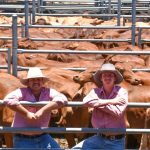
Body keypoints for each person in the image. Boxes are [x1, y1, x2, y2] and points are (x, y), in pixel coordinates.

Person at [4, 67, 67, 150]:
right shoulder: (22, 91)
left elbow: (63, 99)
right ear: (28, 82)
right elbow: (8, 99)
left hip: (43, 136)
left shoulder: (48, 91)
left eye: (39, 79)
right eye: (32, 80)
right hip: (23, 138)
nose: (36, 81)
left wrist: (43, 110)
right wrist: (26, 113)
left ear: (42, 81)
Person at [72, 63, 128, 150]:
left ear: (115, 78)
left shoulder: (122, 92)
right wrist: (111, 101)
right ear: (101, 78)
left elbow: (118, 112)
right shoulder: (95, 91)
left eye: (110, 75)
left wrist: (97, 104)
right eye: (104, 75)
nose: (107, 78)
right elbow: (86, 101)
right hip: (99, 138)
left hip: (116, 141)